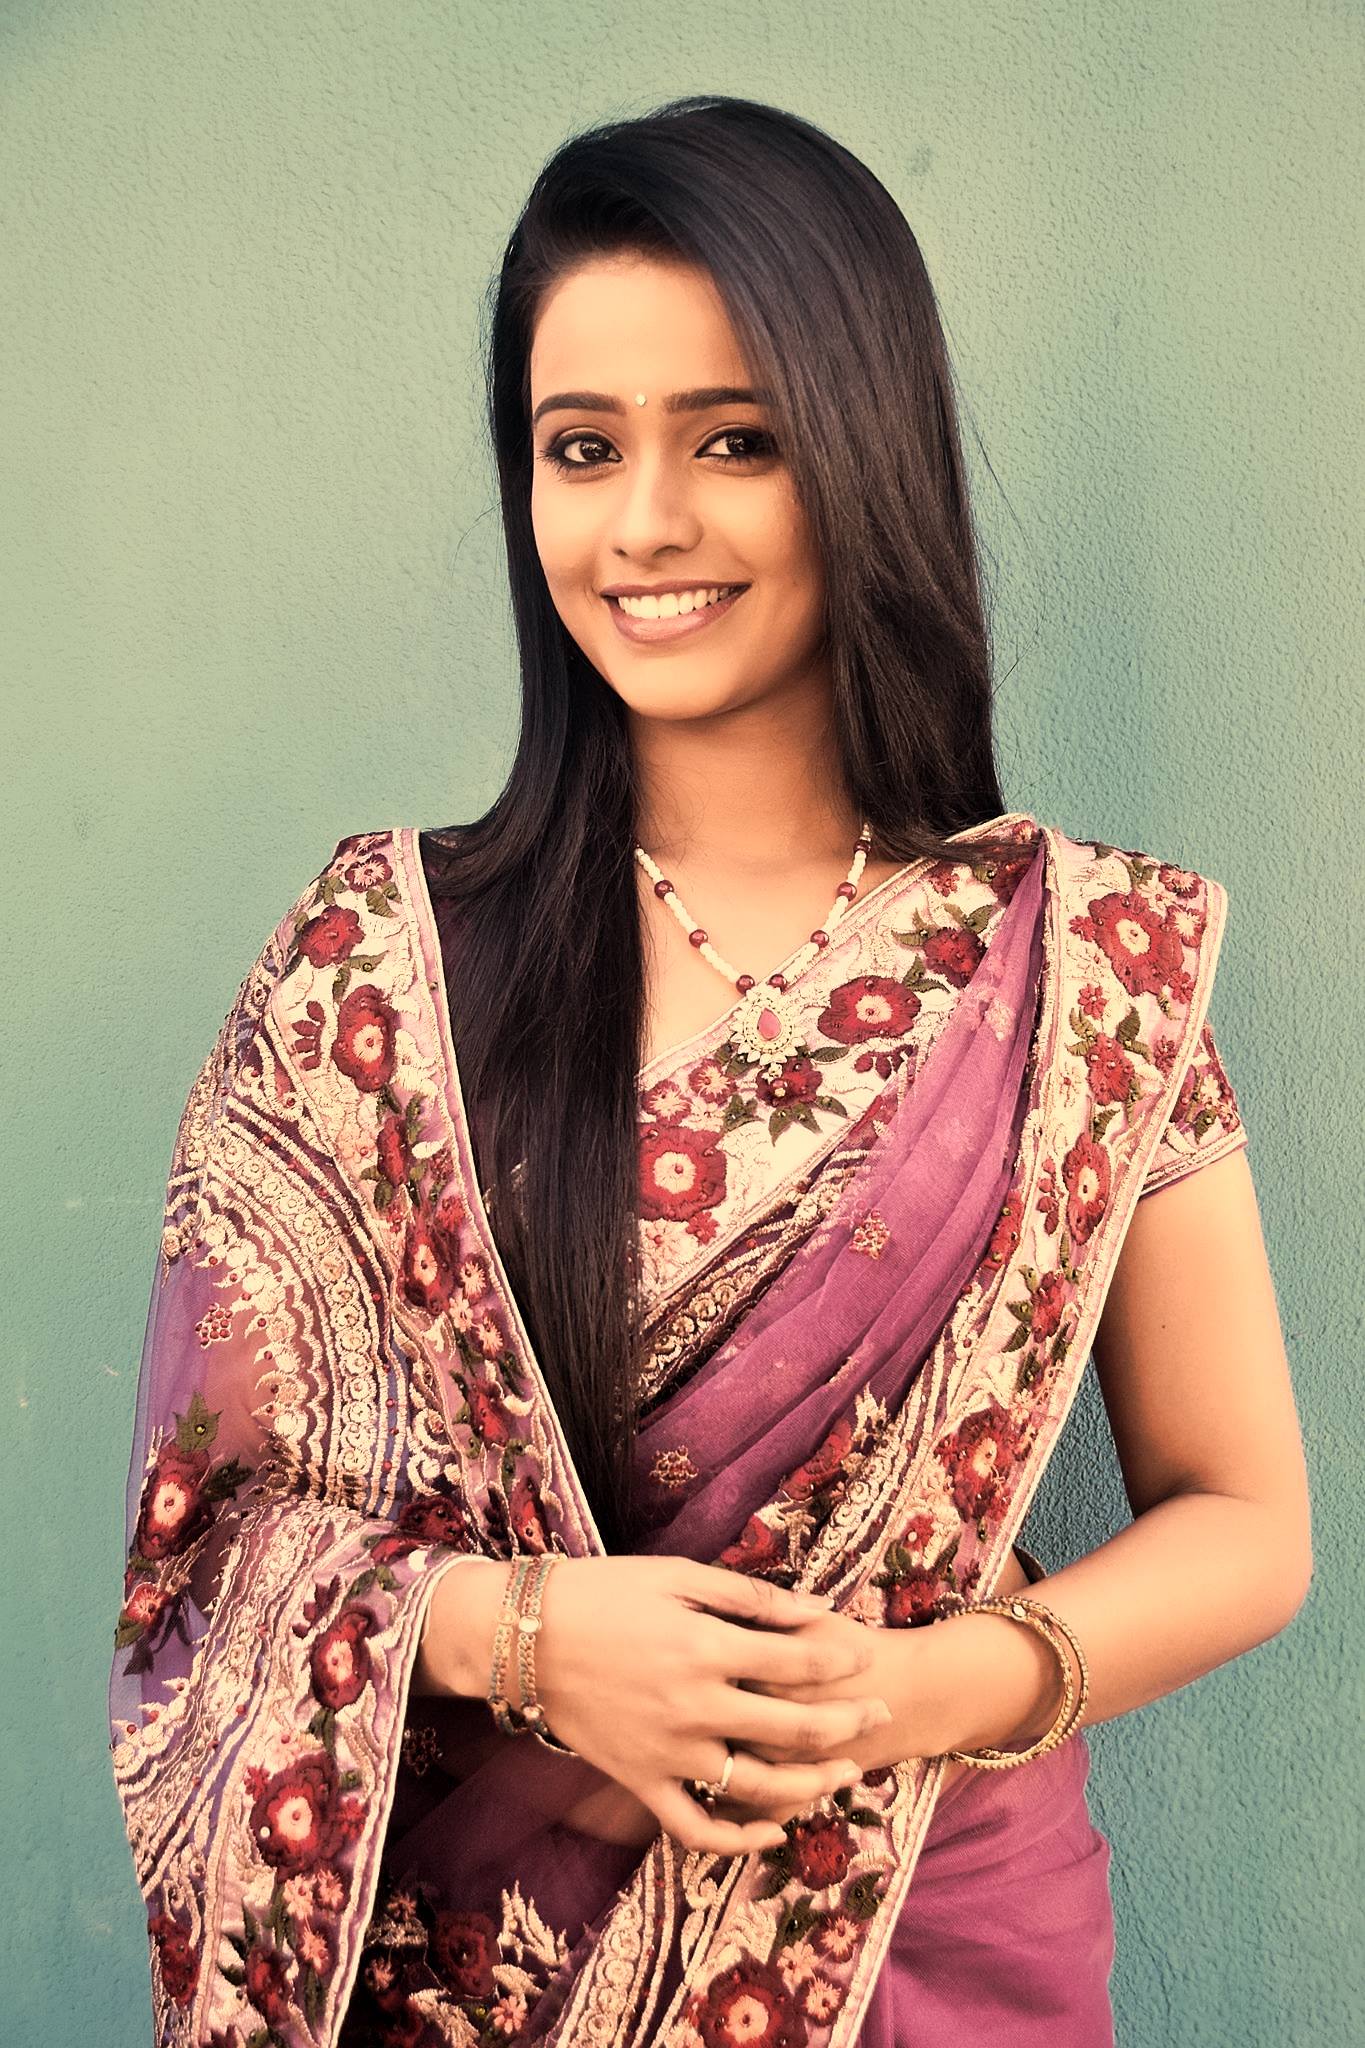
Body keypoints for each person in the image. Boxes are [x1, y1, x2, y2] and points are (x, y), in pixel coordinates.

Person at [109, 96, 1312, 2048]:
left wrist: (921, 1692)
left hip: (925, 1929)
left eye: (732, 440)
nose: (643, 523)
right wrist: (522, 1636)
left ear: (861, 451)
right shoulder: (371, 968)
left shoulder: (1082, 972)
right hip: (475, 1961)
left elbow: (1242, 1516)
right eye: (580, 448)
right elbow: (203, 1554)